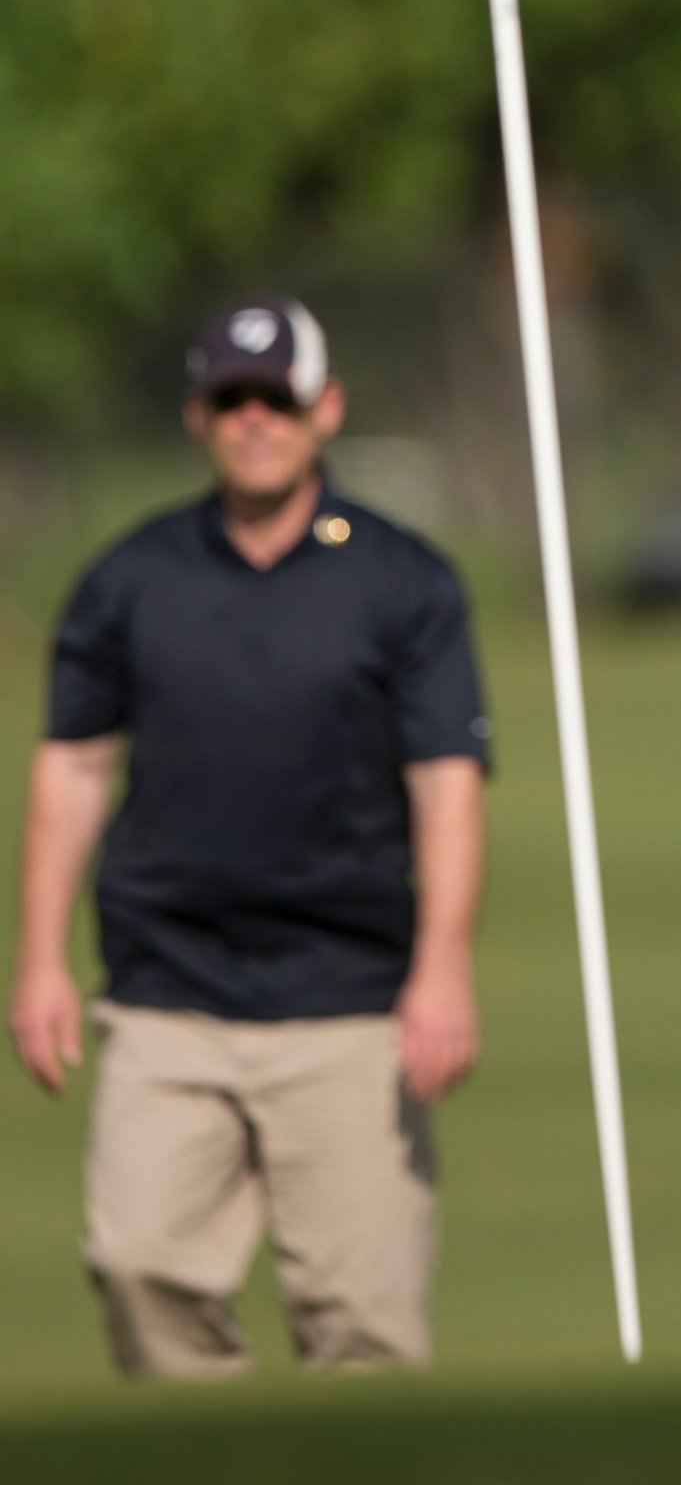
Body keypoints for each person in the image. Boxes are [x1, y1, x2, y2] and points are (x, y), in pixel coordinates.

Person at [7, 300, 492, 1377]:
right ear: (197, 415)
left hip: (350, 1002)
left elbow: (447, 777)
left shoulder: (403, 580)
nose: (255, 421)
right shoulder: (131, 578)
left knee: (362, 1325)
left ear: (327, 409)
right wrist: (38, 961)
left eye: (277, 399)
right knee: (138, 1267)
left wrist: (443, 967)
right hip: (167, 993)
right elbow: (74, 764)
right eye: (233, 399)